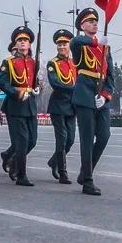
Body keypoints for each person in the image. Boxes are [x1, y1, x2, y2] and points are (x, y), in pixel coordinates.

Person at [70, 7, 115, 196]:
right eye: (90, 21)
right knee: (87, 140)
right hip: (84, 94)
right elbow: (75, 40)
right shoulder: (80, 44)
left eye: (96, 21)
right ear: (82, 25)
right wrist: (96, 41)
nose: (95, 24)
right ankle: (87, 181)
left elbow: (110, 76)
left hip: (100, 95)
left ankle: (84, 171)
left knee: (104, 136)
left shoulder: (106, 49)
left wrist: (105, 96)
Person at [0, 26, 39, 187]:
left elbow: (35, 81)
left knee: (32, 140)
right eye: (20, 40)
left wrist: (37, 88)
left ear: (29, 44)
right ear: (15, 44)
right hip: (15, 105)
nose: (23, 43)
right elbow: (3, 82)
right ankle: (21, 175)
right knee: (22, 141)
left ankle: (9, 156)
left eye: (26, 40)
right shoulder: (8, 62)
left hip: (30, 105)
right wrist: (17, 93)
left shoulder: (33, 62)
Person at [45, 29, 77, 184]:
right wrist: (74, 89)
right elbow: (55, 83)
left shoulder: (74, 62)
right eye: (59, 44)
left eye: (64, 43)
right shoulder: (53, 63)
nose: (62, 46)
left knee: (70, 139)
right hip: (58, 105)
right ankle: (63, 172)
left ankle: (53, 161)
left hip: (72, 106)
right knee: (62, 138)